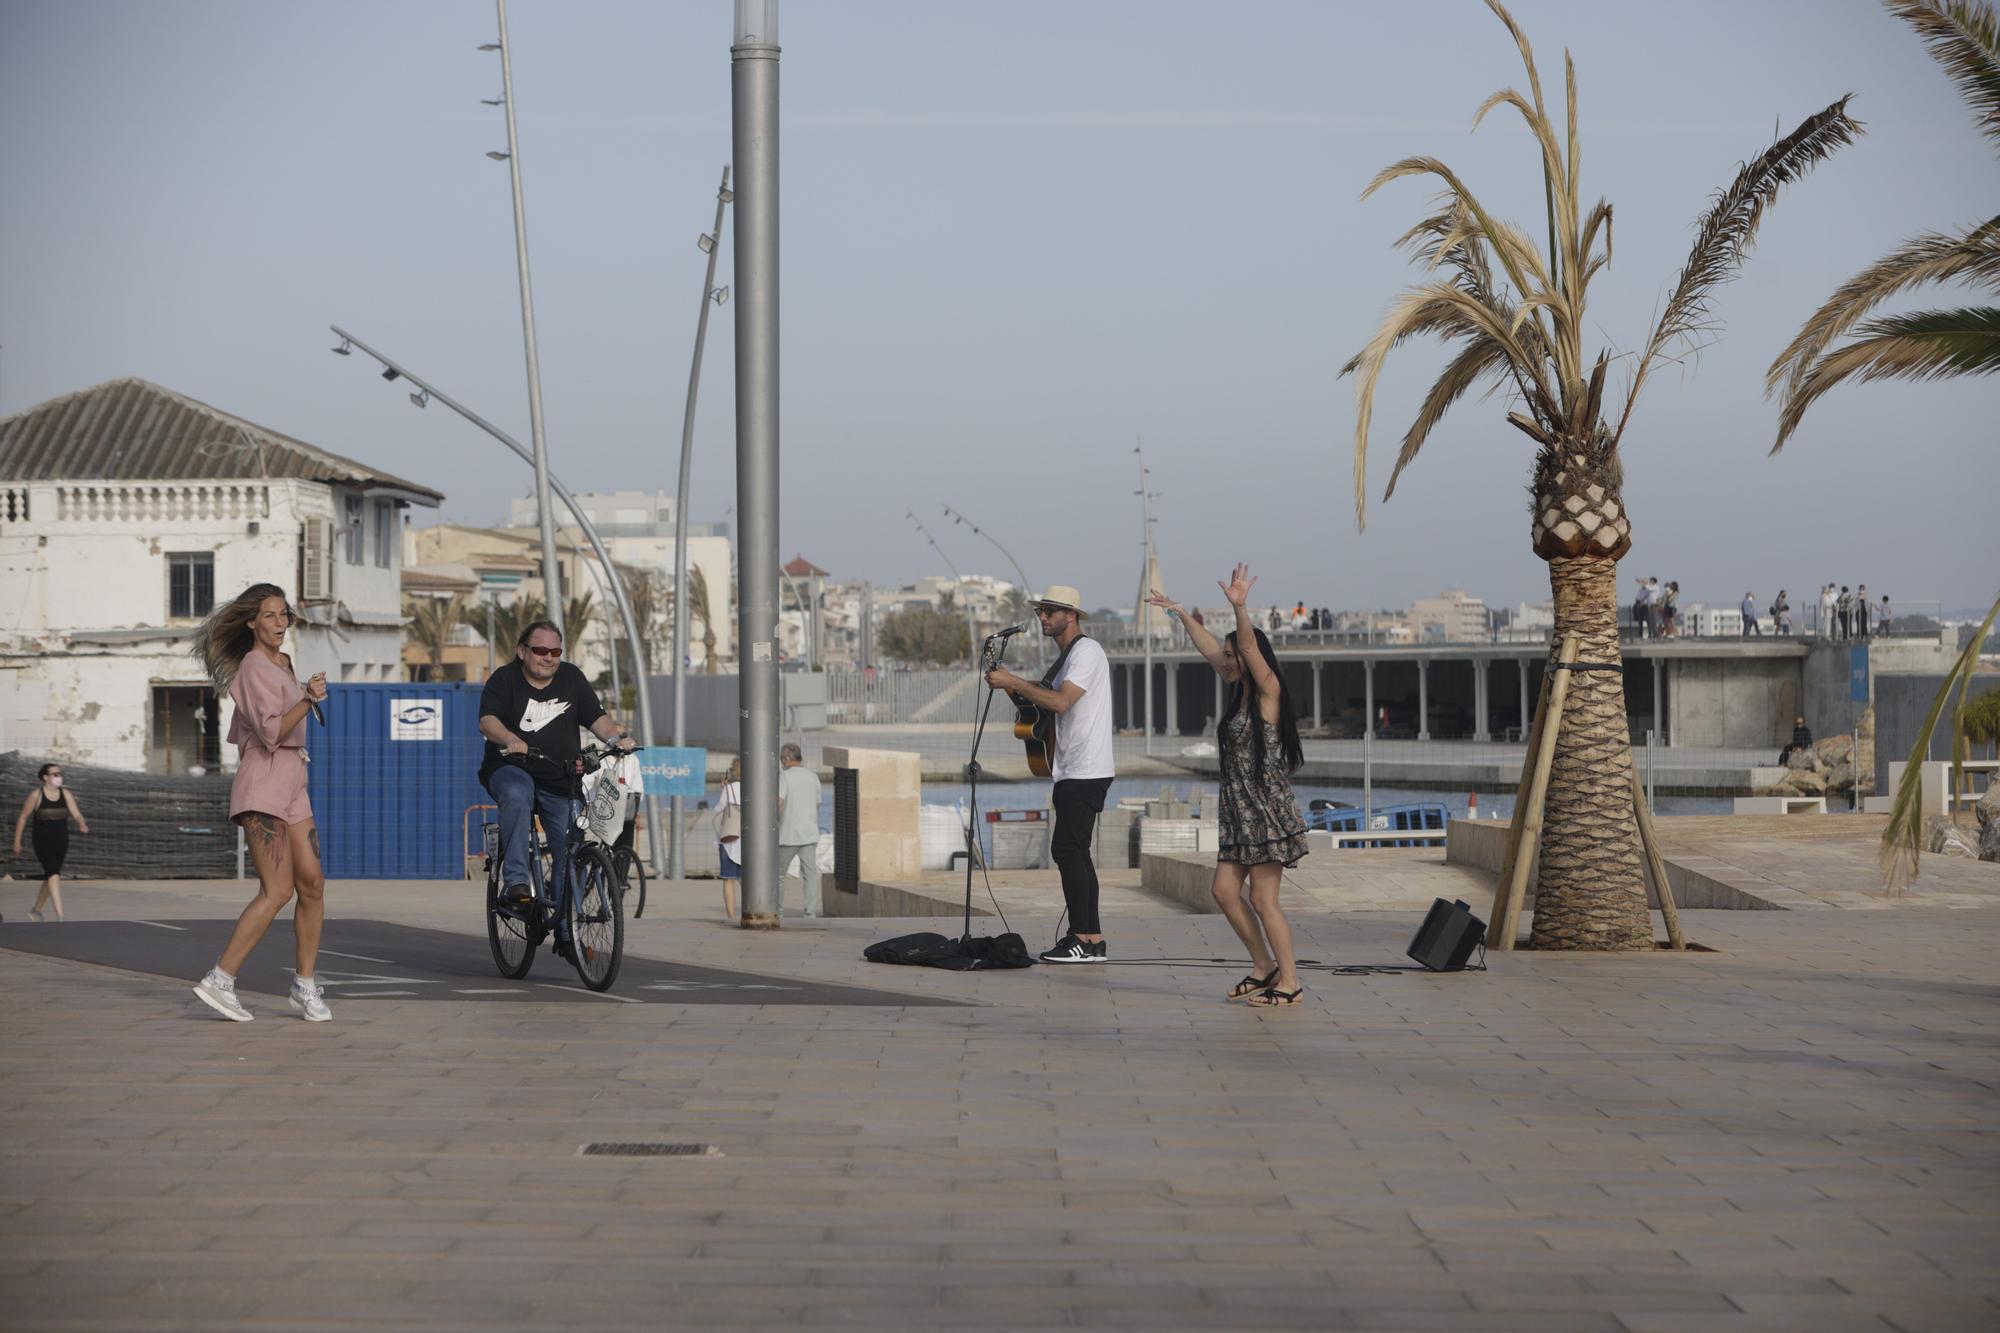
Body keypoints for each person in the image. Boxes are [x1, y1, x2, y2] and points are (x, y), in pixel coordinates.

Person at [1149, 564, 1309, 1007]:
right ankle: (1264, 968)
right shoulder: (1237, 688)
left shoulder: (1268, 691)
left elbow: (1248, 647)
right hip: (1238, 811)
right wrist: (1183, 614)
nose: (1227, 660)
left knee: (1263, 899)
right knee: (1223, 891)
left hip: (1265, 810)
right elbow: (1210, 652)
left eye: (1233, 655)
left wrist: (1240, 608)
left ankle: (1290, 982)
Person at [186, 583, 331, 1023]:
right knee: (278, 890)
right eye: (270, 616)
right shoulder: (250, 667)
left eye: (283, 615)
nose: (280, 623)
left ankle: (304, 985)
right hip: (263, 781)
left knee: (313, 885)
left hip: (293, 782)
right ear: (251, 621)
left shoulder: (283, 662)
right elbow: (271, 733)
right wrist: (307, 699)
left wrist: (303, 691)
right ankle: (220, 979)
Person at [477, 620, 633, 959]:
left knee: (570, 849)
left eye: (555, 652)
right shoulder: (504, 680)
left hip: (560, 776)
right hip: (510, 767)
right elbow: (487, 720)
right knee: (518, 793)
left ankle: (565, 931)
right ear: (522, 651)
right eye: (540, 650)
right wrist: (511, 739)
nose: (548, 658)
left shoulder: (572, 678)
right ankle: (517, 882)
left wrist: (615, 739)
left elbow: (597, 717)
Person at [984, 584, 1115, 963]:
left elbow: (1060, 702)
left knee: (1067, 850)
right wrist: (1011, 688)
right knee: (1076, 852)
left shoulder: (1086, 652)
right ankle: (1090, 939)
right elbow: (1043, 706)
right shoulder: (1068, 658)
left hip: (1085, 769)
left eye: (1051, 611)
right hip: (1072, 768)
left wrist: (1013, 682)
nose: (1043, 617)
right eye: (1041, 611)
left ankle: (1082, 939)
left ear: (1071, 615)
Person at [12, 762, 89, 921]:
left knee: (50, 876)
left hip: (61, 841)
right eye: (55, 774)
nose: (58, 777)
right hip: (42, 841)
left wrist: (81, 823)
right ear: (45, 777)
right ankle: (60, 916)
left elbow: (76, 813)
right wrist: (17, 841)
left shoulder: (66, 793)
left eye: (59, 774)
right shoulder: (36, 795)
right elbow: (23, 817)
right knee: (54, 875)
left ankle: (36, 910)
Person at [776, 742, 823, 917]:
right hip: (809, 833)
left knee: (779, 875)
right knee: (810, 875)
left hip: (788, 834)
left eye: (782, 760)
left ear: (786, 759)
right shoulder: (813, 776)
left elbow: (779, 802)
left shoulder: (784, 776)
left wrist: (778, 819)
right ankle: (810, 912)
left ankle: (778, 911)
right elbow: (818, 804)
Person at [715, 757, 742, 917]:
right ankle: (750, 908)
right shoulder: (756, 788)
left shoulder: (729, 789)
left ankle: (731, 915)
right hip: (749, 840)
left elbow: (718, 811)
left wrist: (724, 790)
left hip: (729, 837)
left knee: (728, 880)